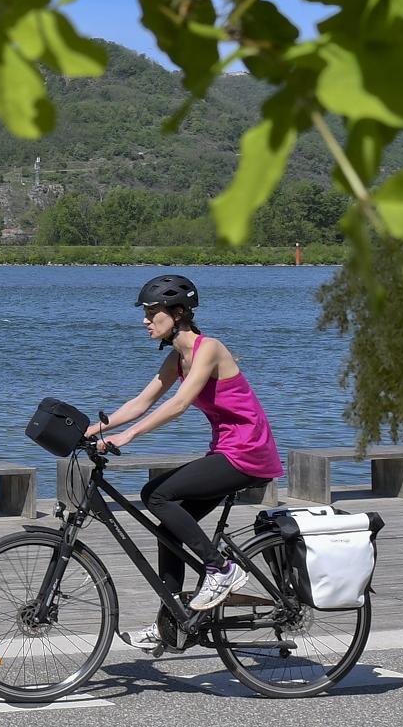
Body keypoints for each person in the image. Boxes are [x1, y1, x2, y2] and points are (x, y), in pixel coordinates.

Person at [86, 273, 284, 654]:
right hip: (226, 451)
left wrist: (128, 437)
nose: (145, 320)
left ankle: (221, 569)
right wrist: (93, 429)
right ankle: (171, 623)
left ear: (177, 313)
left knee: (156, 495)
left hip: (247, 452)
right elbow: (141, 402)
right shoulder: (177, 359)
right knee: (169, 530)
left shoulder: (209, 349)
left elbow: (178, 405)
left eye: (152, 312)